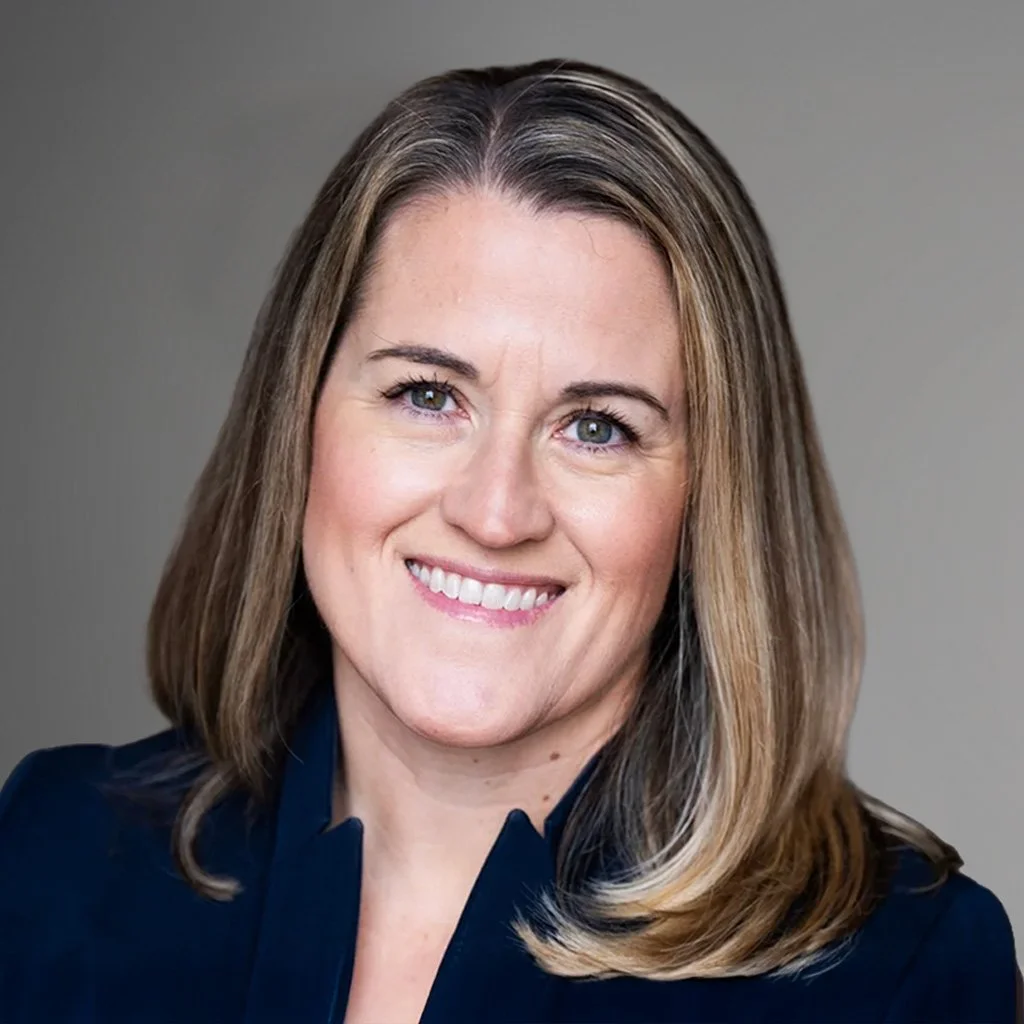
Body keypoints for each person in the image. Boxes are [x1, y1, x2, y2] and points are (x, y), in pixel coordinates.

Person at [0, 57, 1018, 1023]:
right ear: (298, 420)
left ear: (710, 494)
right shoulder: (50, 858)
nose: (496, 512)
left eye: (597, 426)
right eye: (428, 394)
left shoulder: (900, 972)